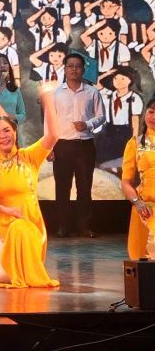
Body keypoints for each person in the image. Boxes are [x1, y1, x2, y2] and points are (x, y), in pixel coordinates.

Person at [0, 83, 60, 289]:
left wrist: (47, 98)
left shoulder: (29, 157)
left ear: (15, 133)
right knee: (2, 278)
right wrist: (6, 210)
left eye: (7, 130)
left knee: (20, 229)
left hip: (28, 229)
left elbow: (53, 135)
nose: (3, 136)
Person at [52, 53, 106, 238]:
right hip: (62, 145)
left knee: (84, 188)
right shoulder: (56, 93)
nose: (74, 69)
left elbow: (101, 116)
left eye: (78, 66)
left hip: (85, 145)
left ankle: (83, 226)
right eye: (70, 66)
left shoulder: (92, 92)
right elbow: (50, 122)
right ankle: (63, 226)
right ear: (64, 69)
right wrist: (49, 146)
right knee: (62, 187)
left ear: (83, 69)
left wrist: (88, 124)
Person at [121, 97, 155, 260]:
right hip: (145, 209)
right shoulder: (135, 143)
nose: (153, 117)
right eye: (151, 111)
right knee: (143, 261)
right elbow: (126, 182)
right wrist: (138, 203)